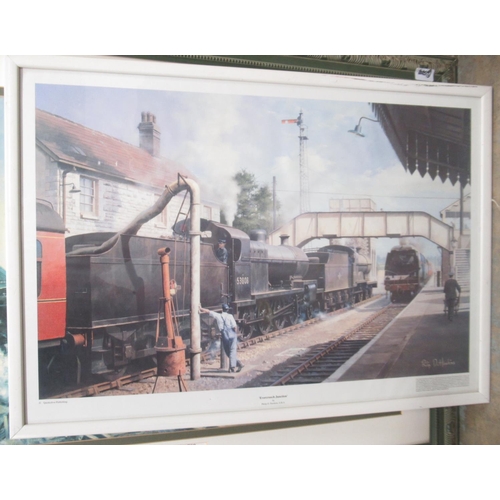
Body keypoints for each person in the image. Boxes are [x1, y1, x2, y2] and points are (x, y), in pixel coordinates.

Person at [199, 303, 244, 372]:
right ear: (227, 310)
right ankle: (235, 365)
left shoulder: (218, 315)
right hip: (232, 334)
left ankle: (235, 365)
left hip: (225, 335)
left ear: (222, 310)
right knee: (232, 351)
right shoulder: (230, 316)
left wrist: (201, 308)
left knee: (228, 352)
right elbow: (235, 327)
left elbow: (208, 311)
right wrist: (234, 334)